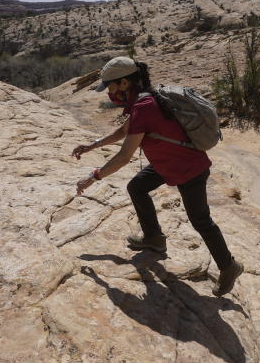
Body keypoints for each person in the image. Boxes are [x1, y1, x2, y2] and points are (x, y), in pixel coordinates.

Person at [72, 56, 244, 296]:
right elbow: (125, 130)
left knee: (200, 220)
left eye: (110, 86)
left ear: (123, 83)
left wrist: (93, 177)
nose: (109, 92)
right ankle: (153, 238)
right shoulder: (145, 99)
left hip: (188, 169)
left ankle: (229, 266)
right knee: (137, 187)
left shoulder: (144, 106)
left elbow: (123, 157)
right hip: (167, 164)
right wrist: (92, 145)